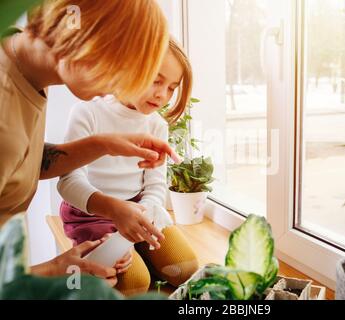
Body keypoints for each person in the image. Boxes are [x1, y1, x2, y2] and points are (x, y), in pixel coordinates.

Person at [0, 0, 179, 287]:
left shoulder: (22, 63)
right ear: (90, 38)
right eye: (126, 68)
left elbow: (26, 161)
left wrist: (103, 144)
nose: (126, 85)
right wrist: (54, 270)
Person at [58, 38, 199, 296]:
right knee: (134, 284)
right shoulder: (87, 113)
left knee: (185, 269)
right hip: (93, 212)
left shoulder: (157, 125)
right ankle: (135, 256)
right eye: (157, 81)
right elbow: (68, 181)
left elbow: (155, 185)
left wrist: (144, 216)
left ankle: (140, 251)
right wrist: (117, 218)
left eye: (171, 87)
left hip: (139, 208)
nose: (163, 95)